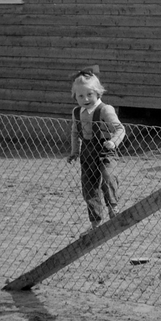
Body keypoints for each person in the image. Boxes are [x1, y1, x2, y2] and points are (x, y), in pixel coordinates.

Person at [65, 69, 126, 228]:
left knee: (108, 177)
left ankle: (113, 206)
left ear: (98, 93)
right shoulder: (76, 112)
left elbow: (120, 129)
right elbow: (74, 132)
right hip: (87, 151)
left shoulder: (105, 110)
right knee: (88, 188)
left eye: (89, 94)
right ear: (75, 96)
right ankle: (95, 222)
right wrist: (74, 151)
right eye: (80, 96)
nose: (85, 99)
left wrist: (113, 142)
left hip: (105, 149)